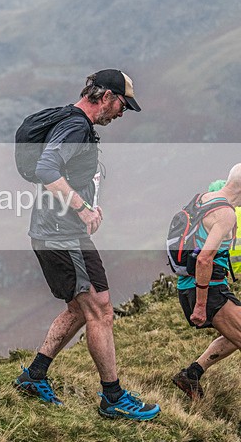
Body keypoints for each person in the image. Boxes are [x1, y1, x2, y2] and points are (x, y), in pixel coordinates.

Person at [14, 69, 160, 421]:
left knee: (83, 308)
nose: (122, 113)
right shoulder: (76, 125)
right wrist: (81, 209)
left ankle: (34, 376)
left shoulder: (72, 121)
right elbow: (48, 168)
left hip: (58, 232)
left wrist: (87, 203)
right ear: (106, 96)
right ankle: (112, 397)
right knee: (100, 311)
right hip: (62, 234)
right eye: (122, 105)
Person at [171, 169, 241, 400]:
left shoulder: (203, 199)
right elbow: (203, 258)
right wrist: (200, 305)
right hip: (207, 289)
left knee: (234, 334)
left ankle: (192, 374)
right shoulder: (225, 213)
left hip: (190, 285)